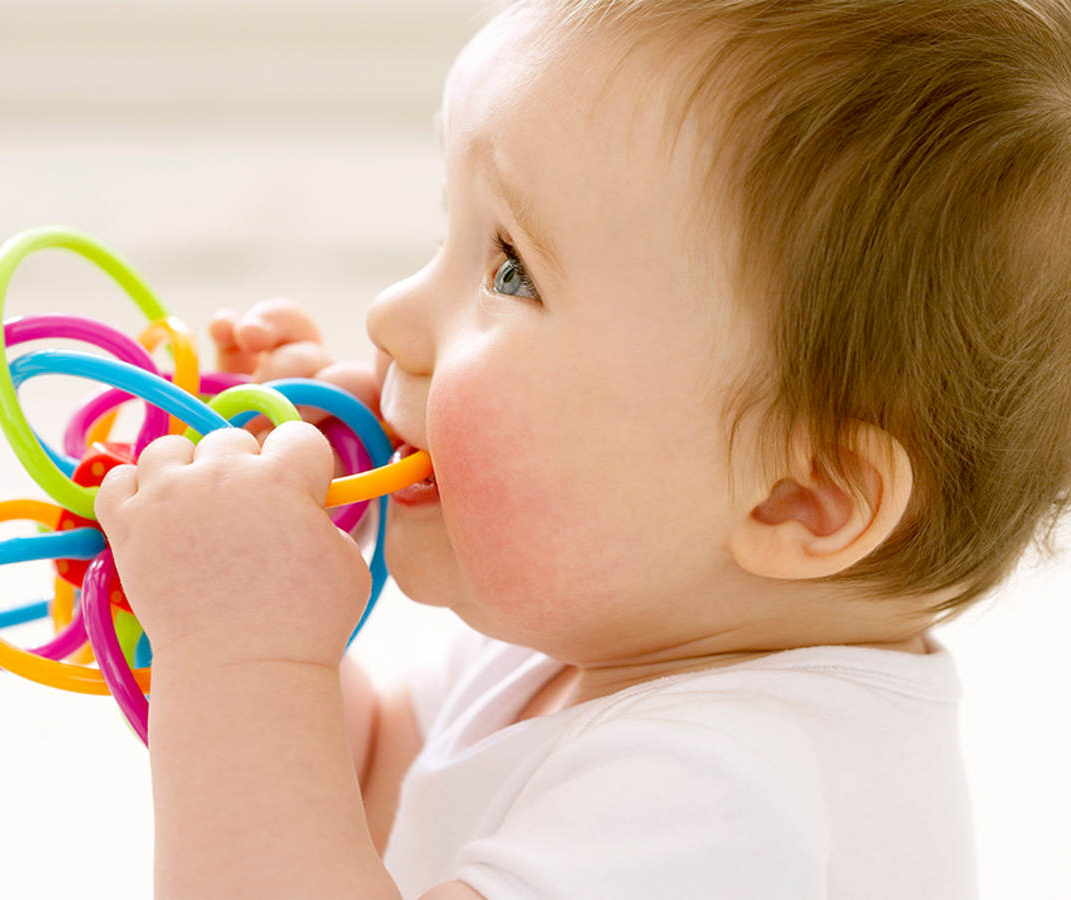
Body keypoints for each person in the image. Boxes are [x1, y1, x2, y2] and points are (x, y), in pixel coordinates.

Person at [93, 0, 1071, 896]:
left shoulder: (721, 800)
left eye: (510, 271)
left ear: (798, 499)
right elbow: (380, 779)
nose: (391, 315)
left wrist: (242, 654)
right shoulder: (606, 631)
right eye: (451, 229)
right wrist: (240, 610)